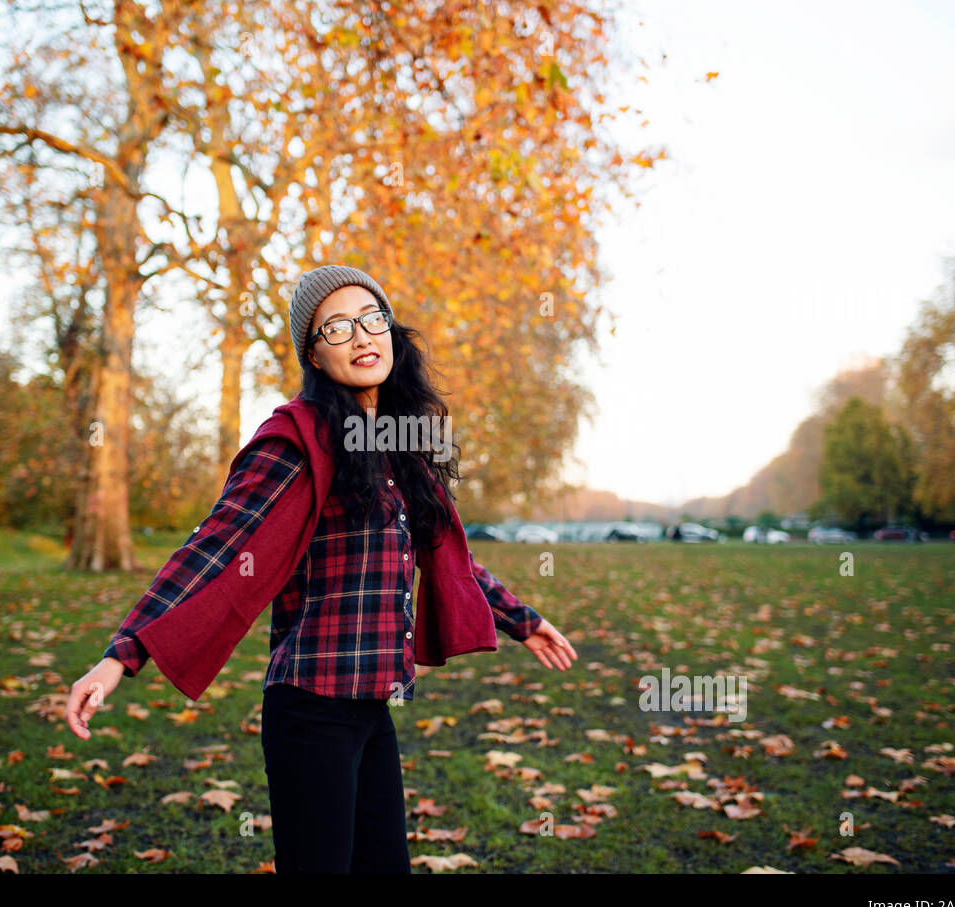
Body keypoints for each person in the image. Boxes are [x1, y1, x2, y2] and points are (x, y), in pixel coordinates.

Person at [65, 264, 576, 874]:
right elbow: (215, 547)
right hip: (310, 711)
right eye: (336, 328)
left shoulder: (396, 441)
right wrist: (122, 653)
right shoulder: (295, 439)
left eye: (371, 319)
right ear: (313, 353)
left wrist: (521, 619)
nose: (361, 337)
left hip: (371, 708)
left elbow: (439, 547)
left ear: (392, 331)